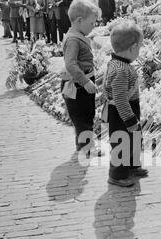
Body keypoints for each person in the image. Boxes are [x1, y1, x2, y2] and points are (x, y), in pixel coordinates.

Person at [103, 21, 148, 187]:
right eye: (140, 47)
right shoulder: (121, 70)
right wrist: (129, 120)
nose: (139, 51)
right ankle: (117, 175)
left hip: (128, 109)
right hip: (121, 113)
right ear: (132, 48)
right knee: (122, 142)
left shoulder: (118, 64)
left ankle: (131, 166)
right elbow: (120, 97)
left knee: (134, 139)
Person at [61, 0, 102, 156]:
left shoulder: (77, 35)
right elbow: (70, 64)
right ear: (79, 21)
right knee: (82, 115)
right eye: (91, 23)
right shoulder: (73, 39)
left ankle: (82, 143)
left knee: (87, 113)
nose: (93, 26)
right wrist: (85, 81)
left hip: (81, 84)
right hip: (77, 85)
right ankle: (87, 146)